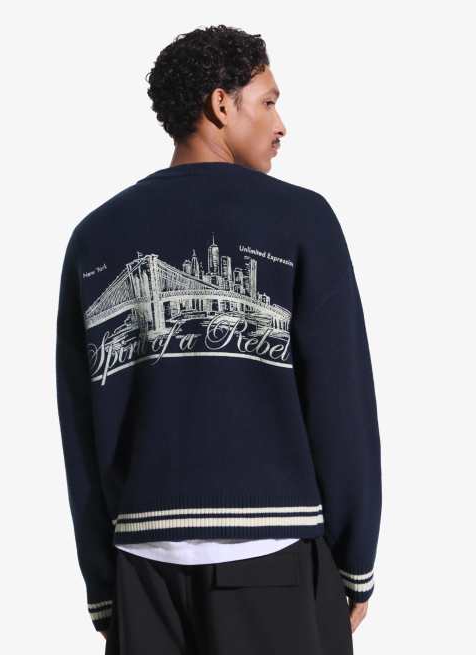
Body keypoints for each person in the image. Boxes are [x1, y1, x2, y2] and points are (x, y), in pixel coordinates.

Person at [55, 24, 382, 655]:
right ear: (221, 105)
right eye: (268, 101)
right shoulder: (303, 219)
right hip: (276, 565)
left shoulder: (93, 237)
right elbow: (342, 404)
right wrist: (355, 561)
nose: (281, 125)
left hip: (141, 573)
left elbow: (81, 430)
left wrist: (103, 585)